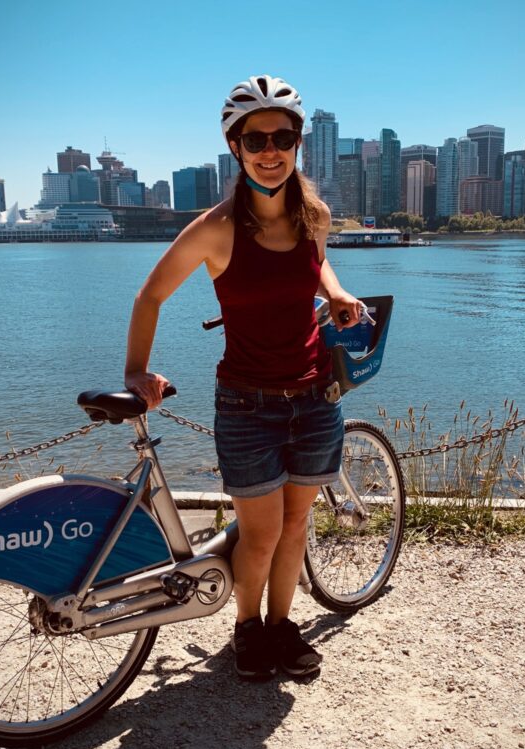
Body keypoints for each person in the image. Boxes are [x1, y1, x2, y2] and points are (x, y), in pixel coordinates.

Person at [123, 75, 361, 680]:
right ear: (236, 147)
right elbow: (150, 296)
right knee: (260, 536)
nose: (270, 149)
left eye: (282, 136)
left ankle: (283, 627)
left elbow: (318, 261)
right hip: (248, 405)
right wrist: (135, 369)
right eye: (255, 139)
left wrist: (335, 292)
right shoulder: (217, 229)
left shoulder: (316, 216)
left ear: (298, 142)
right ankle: (247, 631)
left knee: (297, 525)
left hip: (315, 398)